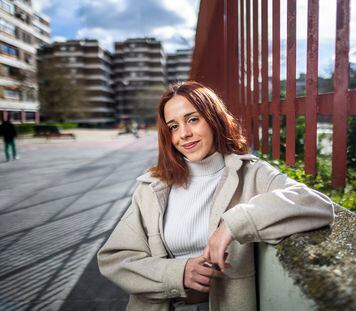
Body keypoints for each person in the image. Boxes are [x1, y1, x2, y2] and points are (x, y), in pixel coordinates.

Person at [97, 81, 335, 311]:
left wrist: (232, 224)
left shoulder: (250, 174)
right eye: (174, 126)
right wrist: (178, 273)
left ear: (213, 119)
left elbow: (317, 204)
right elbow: (115, 258)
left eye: (193, 119)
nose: (184, 134)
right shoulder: (152, 187)